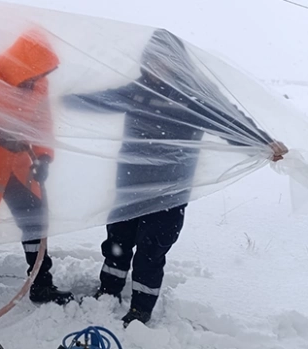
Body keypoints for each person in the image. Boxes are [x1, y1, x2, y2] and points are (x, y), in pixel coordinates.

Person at [64, 29, 288, 327]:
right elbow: (101, 100)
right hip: (130, 185)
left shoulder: (194, 98)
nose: (158, 66)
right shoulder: (138, 90)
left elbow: (230, 121)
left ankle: (141, 308)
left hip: (169, 191)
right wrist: (60, 100)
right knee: (117, 243)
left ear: (178, 62)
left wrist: (262, 141)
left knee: (150, 250)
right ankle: (108, 291)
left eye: (164, 60)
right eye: (153, 60)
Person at [0, 28, 74, 317]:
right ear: (22, 64)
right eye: (34, 73)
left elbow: (42, 123)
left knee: (35, 222)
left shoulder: (39, 84)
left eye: (41, 75)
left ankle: (41, 283)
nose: (37, 80)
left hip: (20, 167)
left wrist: (44, 157)